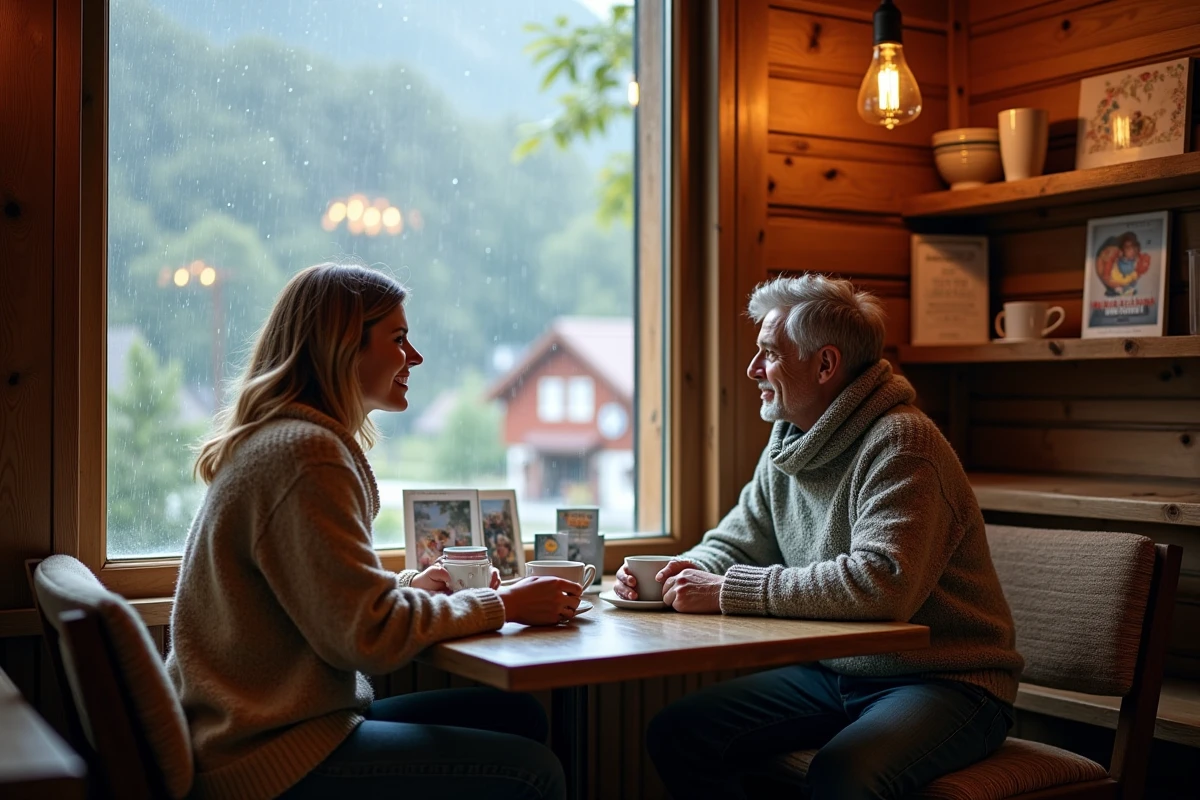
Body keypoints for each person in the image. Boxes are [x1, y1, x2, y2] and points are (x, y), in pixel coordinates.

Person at [168, 262, 579, 800]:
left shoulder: (282, 442)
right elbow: (368, 638)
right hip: (270, 755)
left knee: (517, 713)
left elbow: (327, 605)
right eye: (399, 339)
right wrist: (503, 605)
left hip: (261, 729)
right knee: (533, 772)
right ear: (344, 347)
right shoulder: (305, 456)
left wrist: (406, 591)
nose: (415, 357)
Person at [616, 274, 1023, 799]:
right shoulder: (789, 441)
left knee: (843, 774)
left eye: (768, 353)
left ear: (825, 364)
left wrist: (727, 590)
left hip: (949, 682)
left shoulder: (904, 442)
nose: (752, 369)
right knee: (679, 733)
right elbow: (737, 544)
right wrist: (667, 576)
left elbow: (881, 584)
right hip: (839, 674)